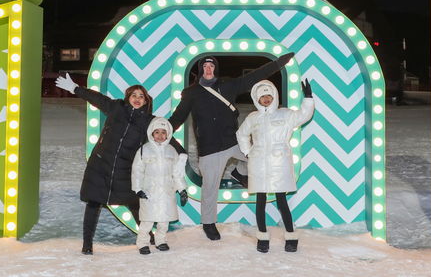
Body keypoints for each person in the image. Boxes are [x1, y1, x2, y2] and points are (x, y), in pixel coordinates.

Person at [168, 52, 294, 240]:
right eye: (204, 66)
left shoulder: (227, 85)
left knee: (259, 155)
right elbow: (177, 117)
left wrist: (278, 63)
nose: (208, 69)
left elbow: (253, 77)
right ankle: (208, 223)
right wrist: (159, 130)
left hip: (232, 141)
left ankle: (239, 171)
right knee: (210, 187)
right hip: (209, 147)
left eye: (211, 66)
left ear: (215, 69)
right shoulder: (191, 94)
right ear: (201, 70)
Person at [55, 73, 185, 255]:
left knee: (135, 204)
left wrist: (182, 153)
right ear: (128, 97)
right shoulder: (117, 108)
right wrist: (75, 88)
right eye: (134, 95)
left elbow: (167, 135)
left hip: (126, 169)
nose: (137, 99)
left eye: (141, 96)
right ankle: (87, 244)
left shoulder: (149, 121)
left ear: (146, 100)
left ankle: (150, 238)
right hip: (100, 165)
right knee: (93, 202)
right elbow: (97, 98)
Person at [236, 79, 314, 253]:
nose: (266, 99)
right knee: (260, 201)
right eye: (262, 96)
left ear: (275, 96)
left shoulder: (285, 115)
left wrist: (308, 98)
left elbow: (304, 115)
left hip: (280, 164)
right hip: (259, 165)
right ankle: (262, 237)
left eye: (269, 95)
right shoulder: (253, 118)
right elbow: (241, 134)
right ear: (257, 99)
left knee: (281, 201)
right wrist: (248, 152)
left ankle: (291, 236)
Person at [131, 117, 189, 254]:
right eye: (157, 132)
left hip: (167, 192)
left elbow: (177, 173)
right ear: (151, 133)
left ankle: (161, 240)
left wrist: (182, 189)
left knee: (164, 221)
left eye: (163, 132)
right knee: (147, 221)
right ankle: (143, 243)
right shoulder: (144, 150)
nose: (160, 135)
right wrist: (138, 188)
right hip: (149, 191)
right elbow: (137, 170)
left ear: (168, 134)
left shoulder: (171, 151)